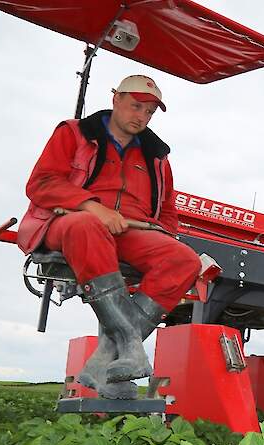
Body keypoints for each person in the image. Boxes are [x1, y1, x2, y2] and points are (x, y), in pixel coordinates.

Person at [16, 75, 201, 399]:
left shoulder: (157, 157)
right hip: (71, 221)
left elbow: (168, 211)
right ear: (115, 99)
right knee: (85, 226)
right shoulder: (73, 133)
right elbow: (41, 183)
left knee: (184, 259)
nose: (141, 116)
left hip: (131, 230)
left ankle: (105, 357)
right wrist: (90, 207)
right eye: (135, 106)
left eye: (149, 112)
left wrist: (164, 237)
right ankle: (130, 344)